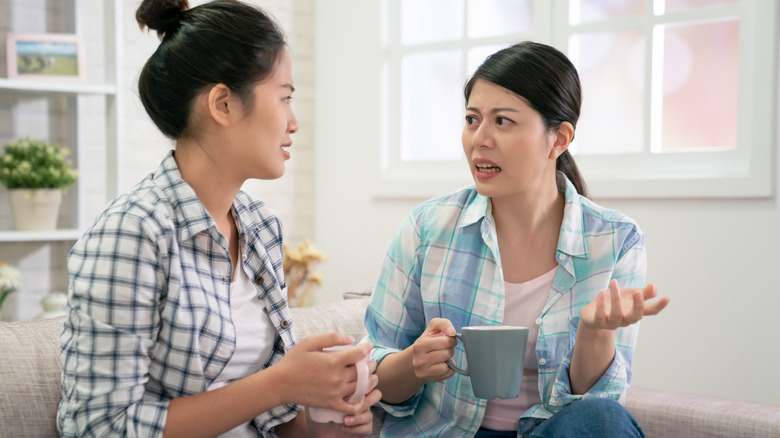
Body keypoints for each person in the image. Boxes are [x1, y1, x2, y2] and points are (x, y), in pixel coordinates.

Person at [57, 1, 380, 437]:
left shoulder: (260, 226)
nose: (294, 122)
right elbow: (99, 427)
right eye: (284, 98)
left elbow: (272, 419)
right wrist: (280, 383)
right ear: (223, 104)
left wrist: (324, 426)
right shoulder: (133, 233)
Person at [364, 41, 671, 438]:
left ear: (559, 139)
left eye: (503, 121)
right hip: (445, 431)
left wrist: (595, 332)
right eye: (472, 119)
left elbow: (597, 406)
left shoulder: (615, 241)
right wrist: (412, 364)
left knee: (601, 420)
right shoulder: (427, 228)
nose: (480, 139)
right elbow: (371, 370)